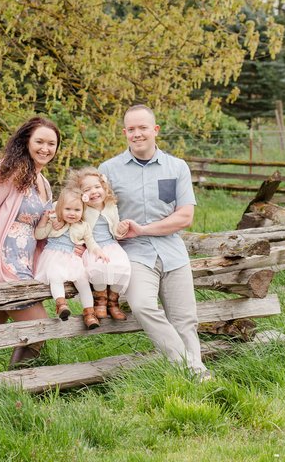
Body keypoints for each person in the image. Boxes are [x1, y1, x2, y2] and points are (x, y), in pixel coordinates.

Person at [99, 105, 210, 378]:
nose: (137, 134)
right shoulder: (108, 170)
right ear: (125, 132)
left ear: (155, 130)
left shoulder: (177, 167)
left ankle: (194, 373)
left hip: (173, 252)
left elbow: (185, 216)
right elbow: (99, 215)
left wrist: (144, 229)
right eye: (131, 129)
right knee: (142, 305)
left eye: (143, 128)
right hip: (134, 254)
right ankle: (190, 367)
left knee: (185, 319)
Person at [0, 116, 60, 376]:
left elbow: (38, 228)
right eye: (39, 141)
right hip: (2, 260)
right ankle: (19, 386)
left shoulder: (43, 182)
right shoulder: (10, 168)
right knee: (39, 326)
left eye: (52, 143)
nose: (45, 148)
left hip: (24, 260)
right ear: (26, 141)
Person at [34, 186, 109, 329]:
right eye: (68, 209)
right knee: (55, 276)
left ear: (83, 211)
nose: (72, 213)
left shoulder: (84, 226)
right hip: (53, 256)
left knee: (83, 282)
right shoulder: (54, 222)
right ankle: (61, 304)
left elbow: (91, 242)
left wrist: (98, 251)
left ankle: (89, 313)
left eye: (77, 210)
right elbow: (39, 235)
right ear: (60, 208)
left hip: (73, 259)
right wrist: (44, 220)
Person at [65, 167, 131, 320]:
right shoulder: (82, 209)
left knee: (123, 267)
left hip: (112, 245)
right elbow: (71, 221)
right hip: (93, 248)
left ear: (104, 188)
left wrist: (121, 229)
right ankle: (100, 301)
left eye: (97, 187)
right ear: (81, 194)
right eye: (87, 189)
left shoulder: (110, 206)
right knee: (97, 268)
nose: (94, 191)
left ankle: (113, 302)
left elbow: (115, 230)